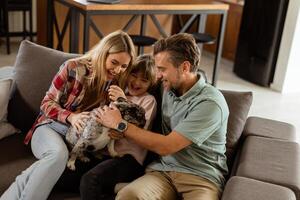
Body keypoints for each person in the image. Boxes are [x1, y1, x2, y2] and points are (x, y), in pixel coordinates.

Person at [0, 30, 136, 200]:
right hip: (49, 128)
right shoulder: (73, 68)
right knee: (57, 154)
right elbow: (46, 104)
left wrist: (118, 125)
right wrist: (71, 117)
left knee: (39, 169)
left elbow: (124, 118)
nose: (118, 70)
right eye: (114, 62)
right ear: (103, 53)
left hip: (78, 140)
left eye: (123, 66)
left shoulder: (117, 83)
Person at [96, 33, 230, 200]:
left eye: (162, 69)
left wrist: (121, 125)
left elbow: (166, 146)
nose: (157, 76)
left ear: (185, 67)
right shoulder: (166, 87)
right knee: (127, 196)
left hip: (201, 177)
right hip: (163, 171)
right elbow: (132, 76)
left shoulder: (210, 103)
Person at [80, 54, 157, 200]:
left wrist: (120, 126)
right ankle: (113, 187)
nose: (136, 82)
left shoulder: (148, 100)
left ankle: (114, 185)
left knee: (90, 180)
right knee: (64, 177)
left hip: (129, 158)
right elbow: (104, 117)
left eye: (144, 80)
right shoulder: (119, 93)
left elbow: (141, 130)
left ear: (150, 84)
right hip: (106, 152)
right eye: (133, 75)